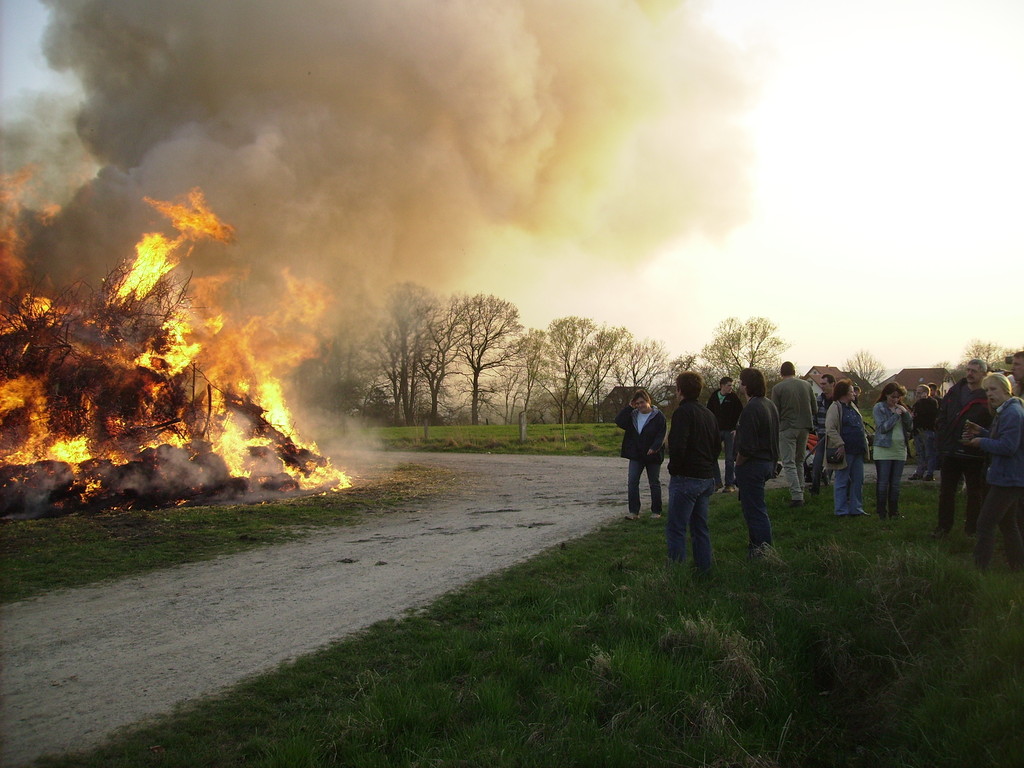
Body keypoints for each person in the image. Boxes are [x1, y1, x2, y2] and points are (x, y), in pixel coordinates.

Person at [961, 373, 1023, 571]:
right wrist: (983, 431)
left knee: (985, 523)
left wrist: (980, 442)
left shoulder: (1012, 412)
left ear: (1006, 389)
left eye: (993, 389)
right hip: (1008, 476)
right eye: (987, 390)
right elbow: (1002, 438)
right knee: (1008, 524)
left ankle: (979, 569)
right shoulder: (1006, 410)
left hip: (1008, 478)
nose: (989, 394)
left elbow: (1008, 447)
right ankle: (1017, 567)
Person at [666, 371, 722, 572]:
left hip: (686, 478)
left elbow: (677, 445)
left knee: (676, 529)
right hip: (706, 477)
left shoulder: (682, 413)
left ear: (680, 390)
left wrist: (674, 468)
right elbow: (717, 446)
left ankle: (675, 574)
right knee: (700, 528)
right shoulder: (708, 414)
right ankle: (704, 570)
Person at [932, 359, 992, 537]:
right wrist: (942, 431)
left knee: (974, 493)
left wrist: (979, 437)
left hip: (974, 451)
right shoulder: (955, 390)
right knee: (947, 492)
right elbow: (942, 413)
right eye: (968, 370)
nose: (970, 373)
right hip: (951, 448)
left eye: (974, 370)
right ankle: (943, 528)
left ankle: (972, 529)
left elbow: (991, 420)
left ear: (982, 373)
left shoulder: (986, 395)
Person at [733, 367, 779, 556]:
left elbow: (748, 446)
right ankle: (755, 546)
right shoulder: (769, 404)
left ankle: (763, 550)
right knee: (754, 508)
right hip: (767, 461)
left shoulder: (751, 408)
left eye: (741, 382)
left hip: (753, 464)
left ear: (746, 385)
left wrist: (738, 462)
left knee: (755, 510)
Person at [770, 361, 817, 508]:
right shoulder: (806, 385)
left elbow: (774, 411)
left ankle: (797, 495)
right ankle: (801, 489)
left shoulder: (778, 388)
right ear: (794, 371)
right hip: (804, 426)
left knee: (788, 462)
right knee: (799, 460)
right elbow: (814, 407)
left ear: (781, 373)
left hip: (787, 427)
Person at [615, 389, 667, 520]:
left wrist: (655, 447)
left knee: (654, 483)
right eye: (637, 403)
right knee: (632, 482)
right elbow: (619, 421)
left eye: (642, 402)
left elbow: (661, 434)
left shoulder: (658, 416)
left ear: (648, 401)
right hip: (636, 454)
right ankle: (634, 512)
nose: (640, 405)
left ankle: (656, 511)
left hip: (653, 455)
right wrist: (629, 407)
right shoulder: (632, 415)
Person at [825, 378, 869, 517]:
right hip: (845, 450)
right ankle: (841, 510)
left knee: (858, 480)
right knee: (842, 480)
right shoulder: (835, 407)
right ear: (844, 393)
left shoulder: (852, 406)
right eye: (851, 391)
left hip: (858, 448)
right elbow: (830, 428)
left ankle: (856, 508)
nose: (854, 394)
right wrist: (840, 444)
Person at [872, 382, 914, 519]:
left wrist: (906, 413)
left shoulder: (901, 408)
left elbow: (910, 427)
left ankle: (894, 511)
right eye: (892, 397)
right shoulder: (879, 407)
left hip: (899, 449)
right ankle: (881, 512)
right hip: (883, 449)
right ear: (886, 395)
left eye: (898, 397)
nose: (895, 400)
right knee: (883, 482)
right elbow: (883, 428)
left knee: (895, 484)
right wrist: (895, 415)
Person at [706, 376, 743, 493]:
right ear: (722, 386)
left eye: (732, 385)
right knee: (713, 456)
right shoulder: (713, 397)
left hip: (729, 431)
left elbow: (741, 413)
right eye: (729, 385)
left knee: (729, 458)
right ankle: (717, 482)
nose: (731, 388)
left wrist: (736, 428)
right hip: (716, 431)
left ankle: (729, 484)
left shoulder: (734, 398)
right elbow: (709, 413)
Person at [810, 373, 836, 495]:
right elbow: (813, 417)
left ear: (832, 384)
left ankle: (827, 479)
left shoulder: (837, 402)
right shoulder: (818, 400)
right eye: (821, 384)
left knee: (833, 461)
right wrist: (817, 429)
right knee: (817, 463)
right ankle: (815, 489)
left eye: (825, 384)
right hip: (821, 436)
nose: (822, 386)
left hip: (835, 437)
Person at [909, 383, 940, 481]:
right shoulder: (917, 403)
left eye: (919, 393)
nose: (917, 395)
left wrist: (923, 400)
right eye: (916, 393)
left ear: (926, 393)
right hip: (918, 431)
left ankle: (930, 473)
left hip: (927, 431)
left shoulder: (932, 402)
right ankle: (919, 472)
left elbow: (930, 414)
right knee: (920, 453)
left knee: (929, 453)